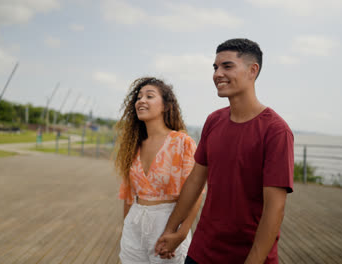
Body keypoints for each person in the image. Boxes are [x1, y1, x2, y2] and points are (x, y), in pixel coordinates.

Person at [155, 38, 294, 264]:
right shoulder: (213, 120)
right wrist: (172, 229)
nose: (217, 73)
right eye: (215, 67)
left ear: (252, 70)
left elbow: (274, 209)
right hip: (201, 251)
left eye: (227, 66)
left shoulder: (276, 131)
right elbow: (194, 181)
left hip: (248, 256)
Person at [115, 77, 203, 263]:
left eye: (149, 96)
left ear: (165, 106)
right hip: (135, 223)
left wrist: (181, 233)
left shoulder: (182, 142)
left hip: (168, 223)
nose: (141, 101)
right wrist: (127, 226)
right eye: (138, 97)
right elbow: (129, 195)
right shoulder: (133, 146)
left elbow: (195, 194)